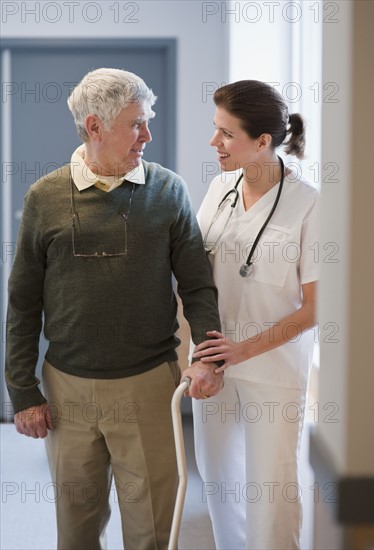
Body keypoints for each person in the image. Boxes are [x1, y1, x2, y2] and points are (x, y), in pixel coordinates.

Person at [5, 67, 224, 550]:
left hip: (148, 383)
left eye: (148, 121)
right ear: (95, 126)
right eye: (137, 124)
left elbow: (197, 286)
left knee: (151, 530)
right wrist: (22, 390)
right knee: (76, 530)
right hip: (66, 390)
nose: (148, 135)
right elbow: (22, 302)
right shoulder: (45, 197)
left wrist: (207, 358)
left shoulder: (168, 191)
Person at [189, 80, 319, 549]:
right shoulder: (219, 188)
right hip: (215, 361)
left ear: (262, 141)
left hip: (271, 367)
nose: (214, 143)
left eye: (226, 133)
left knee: (272, 491)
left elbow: (315, 307)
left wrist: (245, 349)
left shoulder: (309, 204)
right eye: (214, 129)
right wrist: (206, 356)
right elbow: (195, 272)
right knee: (219, 481)